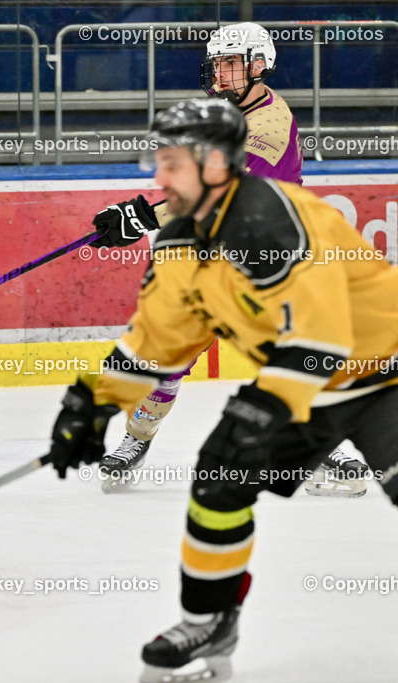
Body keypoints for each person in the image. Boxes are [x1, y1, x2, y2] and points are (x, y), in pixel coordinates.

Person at [48, 98, 398, 681]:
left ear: (215, 164)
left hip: (383, 374)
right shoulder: (181, 237)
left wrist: (260, 408)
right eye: (157, 161)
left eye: (173, 163)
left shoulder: (271, 218)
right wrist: (91, 401)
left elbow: (321, 335)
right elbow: (162, 339)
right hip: (311, 380)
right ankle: (209, 619)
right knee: (220, 479)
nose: (159, 178)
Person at [90, 21, 368, 496]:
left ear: (259, 66)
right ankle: (136, 441)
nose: (220, 73)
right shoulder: (228, 115)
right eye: (217, 64)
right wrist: (135, 213)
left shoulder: (270, 124)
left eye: (231, 64)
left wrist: (140, 216)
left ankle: (334, 451)